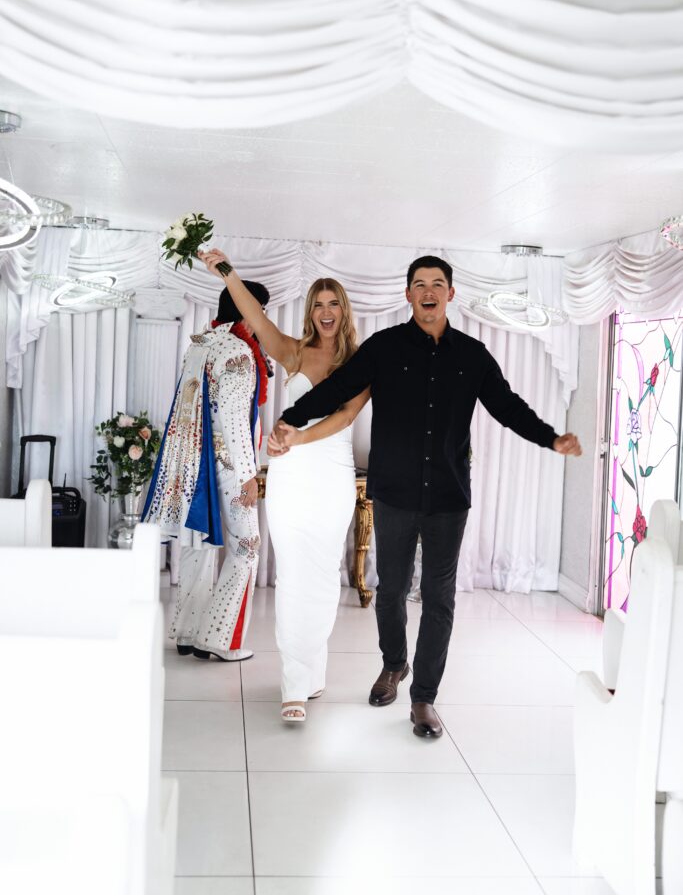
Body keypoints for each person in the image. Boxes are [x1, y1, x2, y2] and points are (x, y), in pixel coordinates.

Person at [272, 255, 582, 739]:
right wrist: (291, 418)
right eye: (419, 284)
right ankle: (394, 664)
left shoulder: (474, 356)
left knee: (439, 598)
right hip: (394, 492)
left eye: (437, 284)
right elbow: (336, 388)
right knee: (390, 590)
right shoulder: (382, 348)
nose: (428, 291)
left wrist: (550, 438)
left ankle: (423, 699)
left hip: (448, 497)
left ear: (450, 294)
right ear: (409, 295)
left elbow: (506, 406)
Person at [200, 248, 370, 723]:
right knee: (294, 575)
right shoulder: (293, 351)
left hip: (331, 479)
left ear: (344, 310)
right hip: (292, 478)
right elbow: (253, 312)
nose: (326, 312)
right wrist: (227, 271)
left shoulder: (360, 362)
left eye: (333, 303)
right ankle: (294, 683)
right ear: (310, 311)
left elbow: (344, 417)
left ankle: (312, 668)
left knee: (322, 575)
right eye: (318, 304)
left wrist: (296, 434)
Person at [143, 280, 270, 662]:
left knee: (198, 542)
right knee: (247, 546)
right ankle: (218, 637)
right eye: (259, 307)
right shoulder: (239, 352)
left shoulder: (199, 343)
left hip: (193, 462)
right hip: (230, 466)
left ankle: (186, 631)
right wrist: (251, 474)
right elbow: (232, 420)